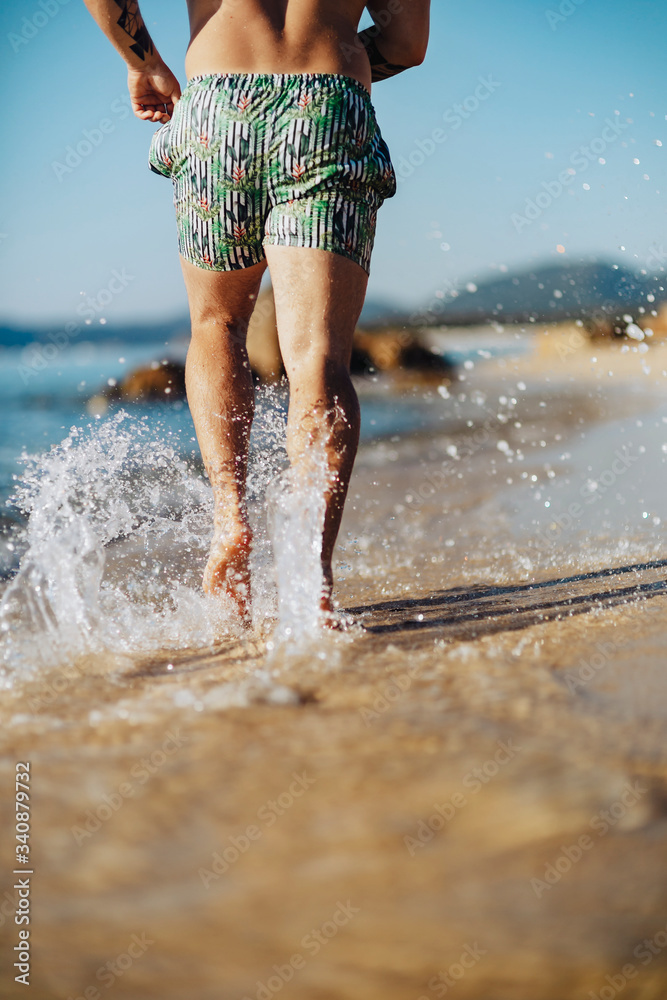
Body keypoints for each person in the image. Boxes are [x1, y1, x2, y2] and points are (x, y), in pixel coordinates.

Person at [82, 0, 431, 622]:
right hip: (327, 102)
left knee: (216, 326)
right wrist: (345, 58)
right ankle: (312, 574)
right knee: (317, 356)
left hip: (217, 102)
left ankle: (228, 526)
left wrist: (145, 63)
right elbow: (406, 41)